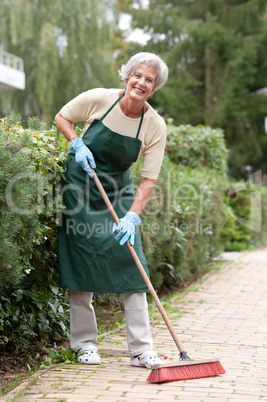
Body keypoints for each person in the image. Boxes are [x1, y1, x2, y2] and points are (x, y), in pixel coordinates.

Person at [55, 52, 168, 368]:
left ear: (154, 86)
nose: (141, 83)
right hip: (80, 185)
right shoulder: (99, 99)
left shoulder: (154, 126)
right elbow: (62, 116)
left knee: (133, 264)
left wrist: (133, 215)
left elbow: (148, 179)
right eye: (138, 75)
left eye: (149, 79)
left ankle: (142, 349)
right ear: (127, 76)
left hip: (118, 190)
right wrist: (76, 142)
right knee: (81, 260)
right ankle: (84, 344)